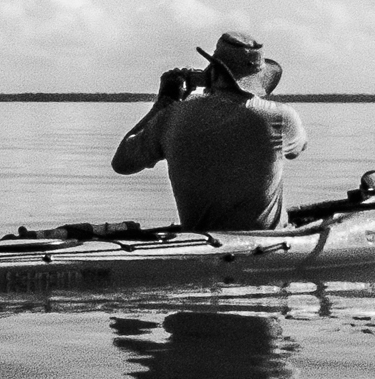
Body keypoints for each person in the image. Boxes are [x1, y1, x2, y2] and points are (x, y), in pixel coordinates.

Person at [111, 32, 307, 231]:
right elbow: (298, 148)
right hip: (268, 241)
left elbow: (122, 163)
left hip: (199, 236)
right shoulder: (280, 117)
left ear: (212, 71)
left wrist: (161, 104)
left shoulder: (171, 116)